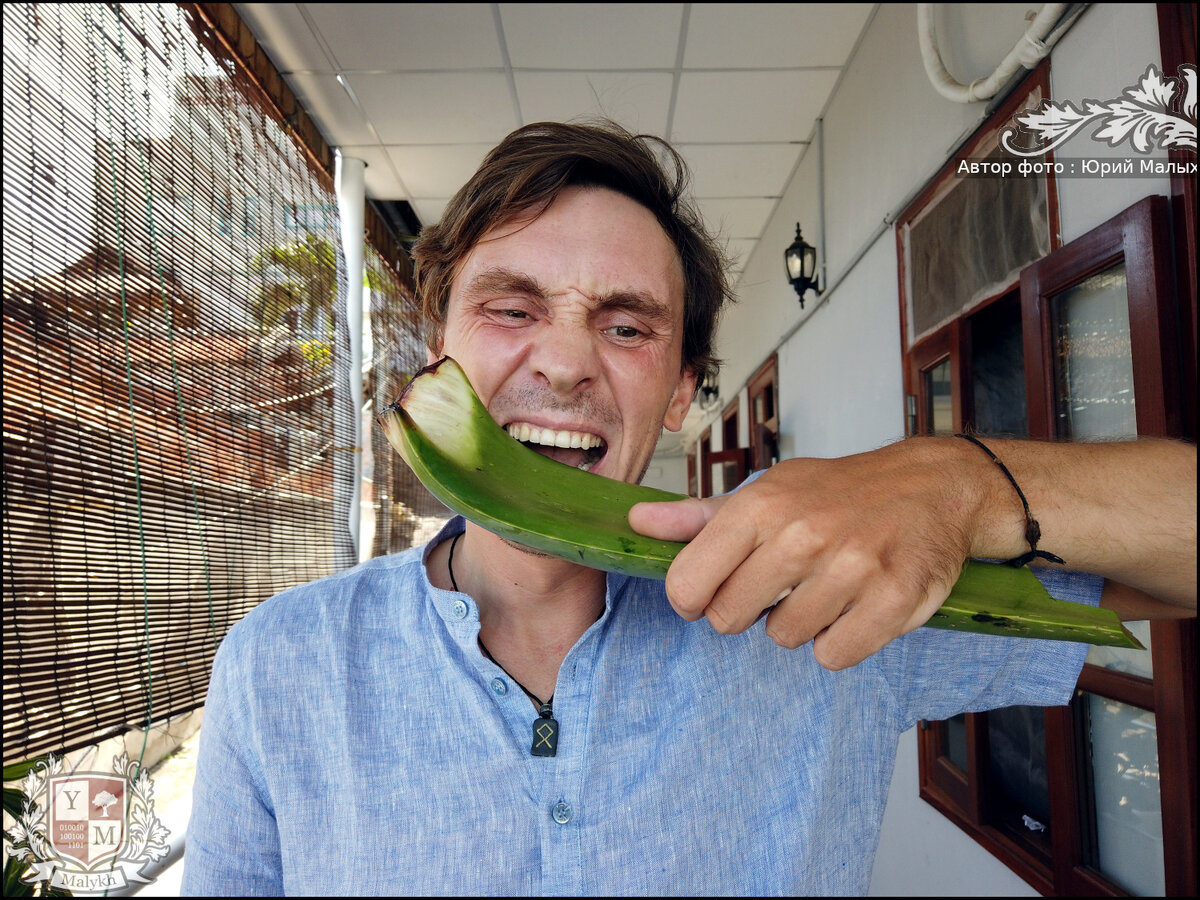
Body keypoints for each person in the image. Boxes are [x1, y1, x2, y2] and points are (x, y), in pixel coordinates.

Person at [182, 120, 1196, 896]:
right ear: (437, 336)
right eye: (511, 307)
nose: (568, 362)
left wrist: (961, 485)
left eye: (626, 327)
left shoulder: (827, 594)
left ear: (679, 390)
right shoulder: (280, 667)